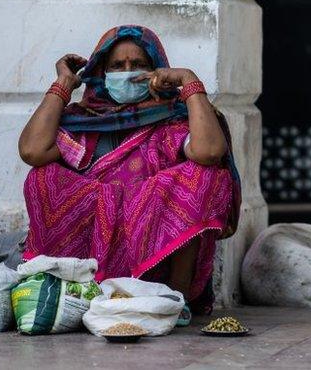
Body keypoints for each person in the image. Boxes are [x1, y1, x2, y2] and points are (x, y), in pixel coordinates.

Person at [17, 25, 241, 325]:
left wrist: (189, 81)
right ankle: (79, 290)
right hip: (88, 251)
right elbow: (32, 151)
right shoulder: (86, 122)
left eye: (138, 65)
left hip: (154, 255)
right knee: (41, 178)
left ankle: (175, 301)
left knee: (205, 176)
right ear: (102, 73)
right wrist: (64, 83)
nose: (127, 72)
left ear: (156, 71)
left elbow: (210, 152)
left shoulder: (171, 119)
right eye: (117, 66)